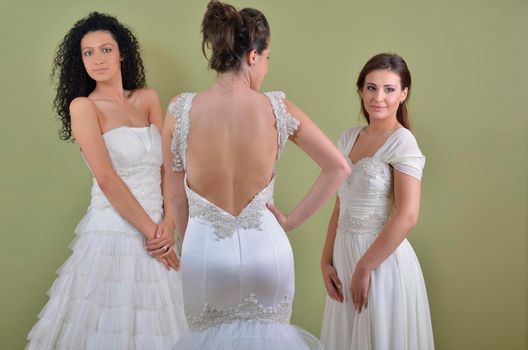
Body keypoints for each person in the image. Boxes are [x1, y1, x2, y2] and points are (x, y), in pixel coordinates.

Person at [161, 1, 350, 349]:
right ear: (252, 56)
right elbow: (339, 166)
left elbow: (175, 198)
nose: (265, 68)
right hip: (267, 251)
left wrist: (195, 247)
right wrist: (290, 221)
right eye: (266, 58)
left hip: (205, 254)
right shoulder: (276, 107)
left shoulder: (179, 110)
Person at [26, 12, 186, 349]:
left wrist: (169, 223)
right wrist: (152, 234)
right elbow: (106, 178)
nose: (97, 59)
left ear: (122, 53)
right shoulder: (83, 107)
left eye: (105, 50)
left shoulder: (148, 99)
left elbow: (167, 167)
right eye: (88, 53)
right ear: (79, 60)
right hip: (114, 230)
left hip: (160, 227)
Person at [319, 53, 435, 349]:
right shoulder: (348, 138)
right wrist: (325, 260)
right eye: (371, 88)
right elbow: (340, 204)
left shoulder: (403, 141)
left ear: (404, 93)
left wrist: (365, 267)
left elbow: (407, 216)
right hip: (345, 257)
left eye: (389, 89)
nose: (378, 97)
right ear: (361, 90)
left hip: (380, 262)